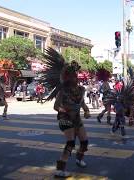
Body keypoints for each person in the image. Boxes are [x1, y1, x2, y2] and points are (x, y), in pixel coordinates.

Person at [41, 48, 90, 177]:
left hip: (77, 119)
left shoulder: (81, 89)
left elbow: (81, 102)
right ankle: (60, 169)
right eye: (72, 76)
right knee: (70, 143)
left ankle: (79, 159)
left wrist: (86, 110)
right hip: (65, 119)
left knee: (84, 142)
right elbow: (56, 107)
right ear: (67, 77)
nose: (75, 78)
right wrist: (65, 111)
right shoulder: (62, 91)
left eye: (76, 75)